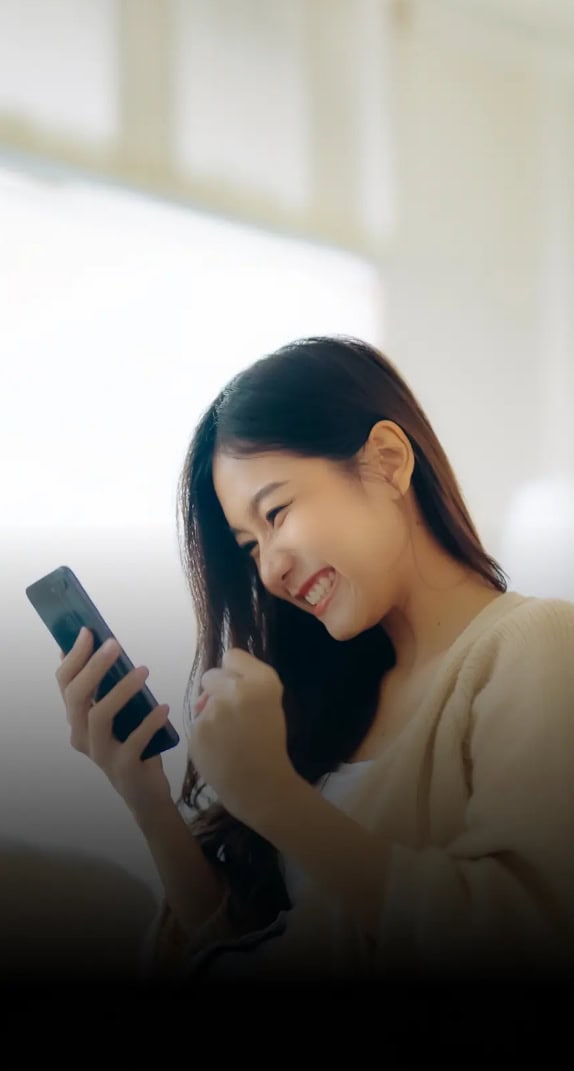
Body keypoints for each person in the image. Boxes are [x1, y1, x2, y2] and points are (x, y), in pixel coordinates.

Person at [56, 335, 574, 988]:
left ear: (387, 461)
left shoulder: (539, 643)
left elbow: (532, 934)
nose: (269, 568)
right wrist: (146, 797)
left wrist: (274, 796)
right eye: (248, 546)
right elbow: (250, 943)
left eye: (276, 512)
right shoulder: (334, 697)